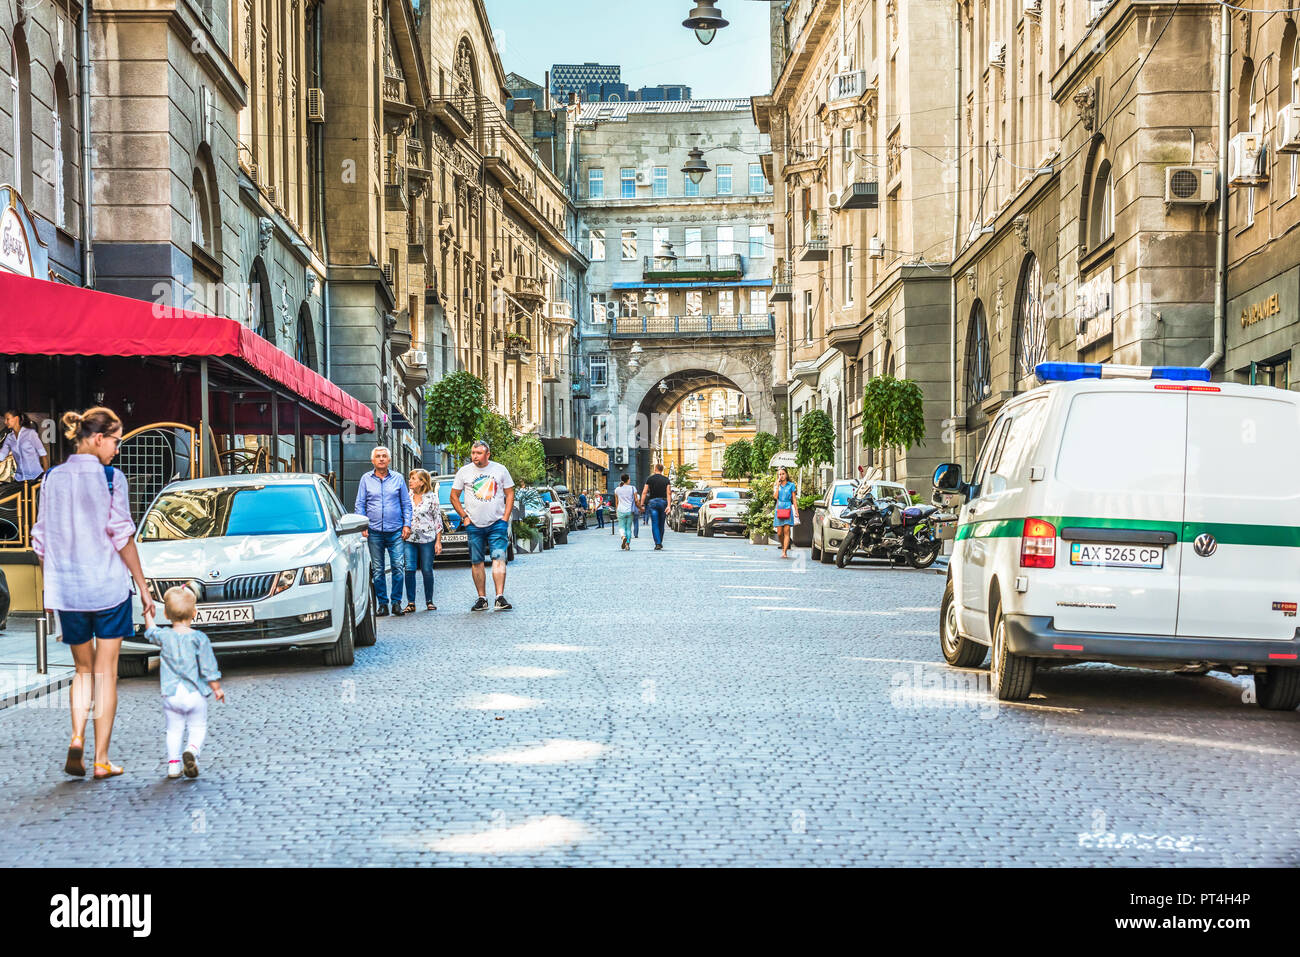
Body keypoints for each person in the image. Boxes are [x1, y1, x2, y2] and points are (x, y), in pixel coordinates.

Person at [31, 407, 154, 779]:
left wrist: (54, 583)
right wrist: (144, 589)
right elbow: (123, 538)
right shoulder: (112, 479)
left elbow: (40, 541)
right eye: (116, 441)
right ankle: (101, 759)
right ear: (98, 438)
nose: (118, 449)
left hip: (68, 592)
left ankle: (76, 735)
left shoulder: (51, 478)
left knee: (82, 670)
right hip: (107, 589)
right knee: (106, 673)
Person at [142, 584, 224, 779]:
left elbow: (150, 631)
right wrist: (217, 688)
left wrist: (147, 613)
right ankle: (192, 750)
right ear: (194, 613)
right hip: (194, 693)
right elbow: (208, 667)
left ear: (166, 614)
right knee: (198, 727)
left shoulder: (164, 636)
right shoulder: (199, 638)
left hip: (171, 694)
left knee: (173, 730)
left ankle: (173, 766)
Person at [450, 440, 516, 611]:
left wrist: (505, 518)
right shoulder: (464, 472)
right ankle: (482, 598)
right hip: (474, 525)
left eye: (479, 453)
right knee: (476, 561)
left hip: (497, 524)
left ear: (488, 454)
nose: (474, 456)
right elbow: (454, 496)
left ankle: (499, 597)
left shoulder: (500, 470)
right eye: (473, 453)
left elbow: (510, 494)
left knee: (498, 558)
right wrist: (464, 516)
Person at [354, 446, 411, 617]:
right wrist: (362, 526)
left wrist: (407, 525)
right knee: (378, 570)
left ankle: (396, 603)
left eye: (384, 456)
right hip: (374, 531)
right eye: (378, 456)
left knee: (398, 567)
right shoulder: (365, 479)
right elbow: (360, 504)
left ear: (389, 460)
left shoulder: (398, 479)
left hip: (396, 531)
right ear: (373, 460)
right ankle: (382, 604)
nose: (381, 459)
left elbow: (406, 504)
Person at [404, 469, 443, 613]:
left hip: (427, 539)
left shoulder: (431, 497)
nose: (410, 481)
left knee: (427, 570)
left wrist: (438, 542)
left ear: (422, 482)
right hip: (409, 539)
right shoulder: (406, 497)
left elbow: (437, 520)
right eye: (410, 478)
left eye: (414, 478)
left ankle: (429, 601)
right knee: (409, 569)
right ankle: (411, 602)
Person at [1, 409, 48, 479]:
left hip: (36, 477)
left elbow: (43, 455)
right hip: (20, 478)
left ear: (16, 418)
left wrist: (46, 476)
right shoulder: (9, 438)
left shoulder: (30, 434)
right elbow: (2, 455)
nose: (5, 422)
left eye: (7, 419)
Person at [639, 463, 672, 551]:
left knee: (655, 523)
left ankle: (657, 543)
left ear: (655, 469)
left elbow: (644, 492)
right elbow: (669, 493)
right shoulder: (666, 480)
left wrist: (641, 504)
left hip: (653, 502)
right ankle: (659, 541)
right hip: (663, 502)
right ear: (662, 470)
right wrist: (669, 505)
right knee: (661, 523)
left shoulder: (650, 479)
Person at [774, 466, 800, 559]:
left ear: (786, 474)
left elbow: (794, 498)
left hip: (788, 508)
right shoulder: (777, 485)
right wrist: (777, 486)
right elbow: (775, 497)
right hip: (779, 509)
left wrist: (796, 510)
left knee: (786, 531)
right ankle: (783, 545)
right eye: (779, 474)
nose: (781, 476)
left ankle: (784, 551)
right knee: (779, 533)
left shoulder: (791, 485)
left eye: (783, 474)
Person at [614, 474, 637, 550]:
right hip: (630, 511)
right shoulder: (633, 488)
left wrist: (617, 511)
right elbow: (636, 500)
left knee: (621, 526)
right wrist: (640, 507)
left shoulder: (617, 489)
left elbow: (616, 502)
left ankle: (623, 536)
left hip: (620, 510)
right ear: (628, 480)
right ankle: (627, 545)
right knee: (628, 528)